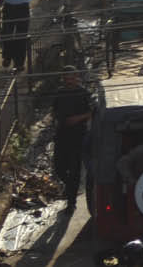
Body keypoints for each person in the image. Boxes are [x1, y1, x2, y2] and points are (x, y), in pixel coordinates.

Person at [53, 64, 93, 212]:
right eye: (66, 78)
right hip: (62, 135)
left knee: (74, 169)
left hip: (78, 136)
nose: (69, 81)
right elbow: (55, 111)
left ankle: (71, 202)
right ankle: (69, 187)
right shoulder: (60, 92)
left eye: (72, 77)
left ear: (77, 78)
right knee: (59, 167)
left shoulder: (84, 93)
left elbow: (92, 112)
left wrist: (78, 118)